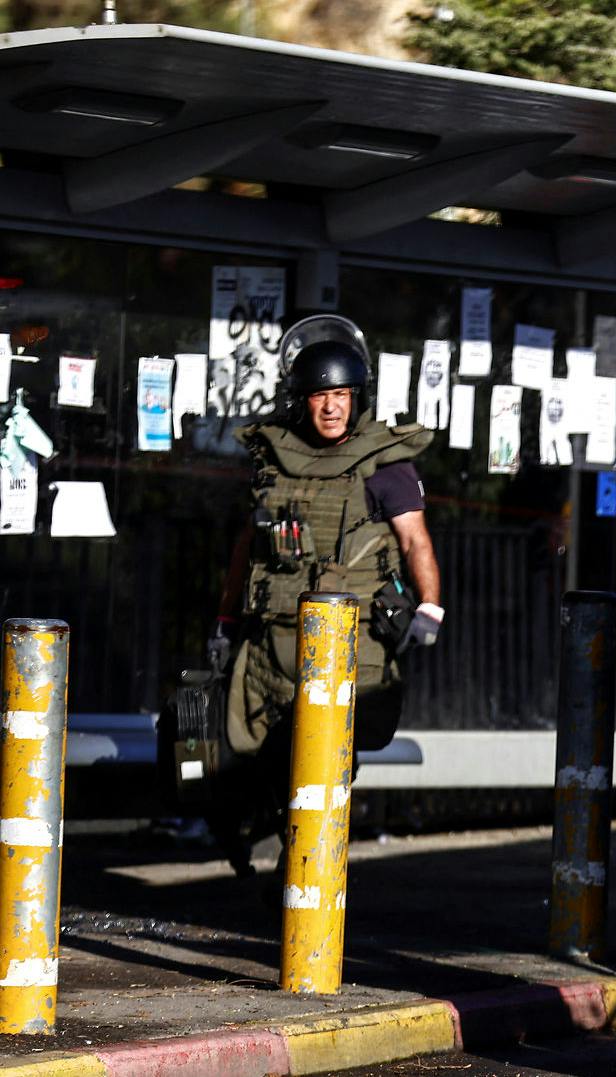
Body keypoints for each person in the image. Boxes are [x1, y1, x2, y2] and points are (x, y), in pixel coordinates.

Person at [208, 322, 441, 873]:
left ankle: (303, 867)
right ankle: (271, 844)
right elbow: (248, 546)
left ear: (356, 399)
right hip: (271, 642)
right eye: (320, 396)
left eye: (341, 396)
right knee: (248, 749)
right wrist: (224, 619)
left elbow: (416, 541)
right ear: (302, 400)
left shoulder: (387, 466)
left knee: (325, 760)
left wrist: (430, 606)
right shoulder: (272, 459)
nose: (332, 408)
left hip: (346, 647)